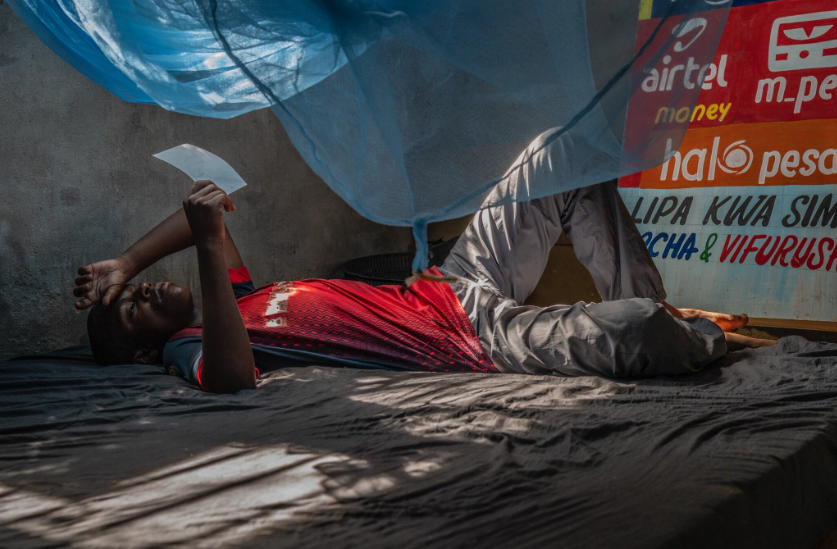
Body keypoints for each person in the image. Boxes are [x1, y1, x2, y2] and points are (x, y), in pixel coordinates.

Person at [74, 150, 772, 394]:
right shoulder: (188, 345)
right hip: (467, 340)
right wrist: (200, 247)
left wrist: (125, 261)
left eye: (135, 289)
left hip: (445, 283)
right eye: (135, 306)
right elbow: (229, 379)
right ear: (145, 346)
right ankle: (676, 328)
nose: (145, 293)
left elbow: (210, 201)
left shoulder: (242, 299)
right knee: (640, 329)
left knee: (558, 158)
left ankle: (668, 311)